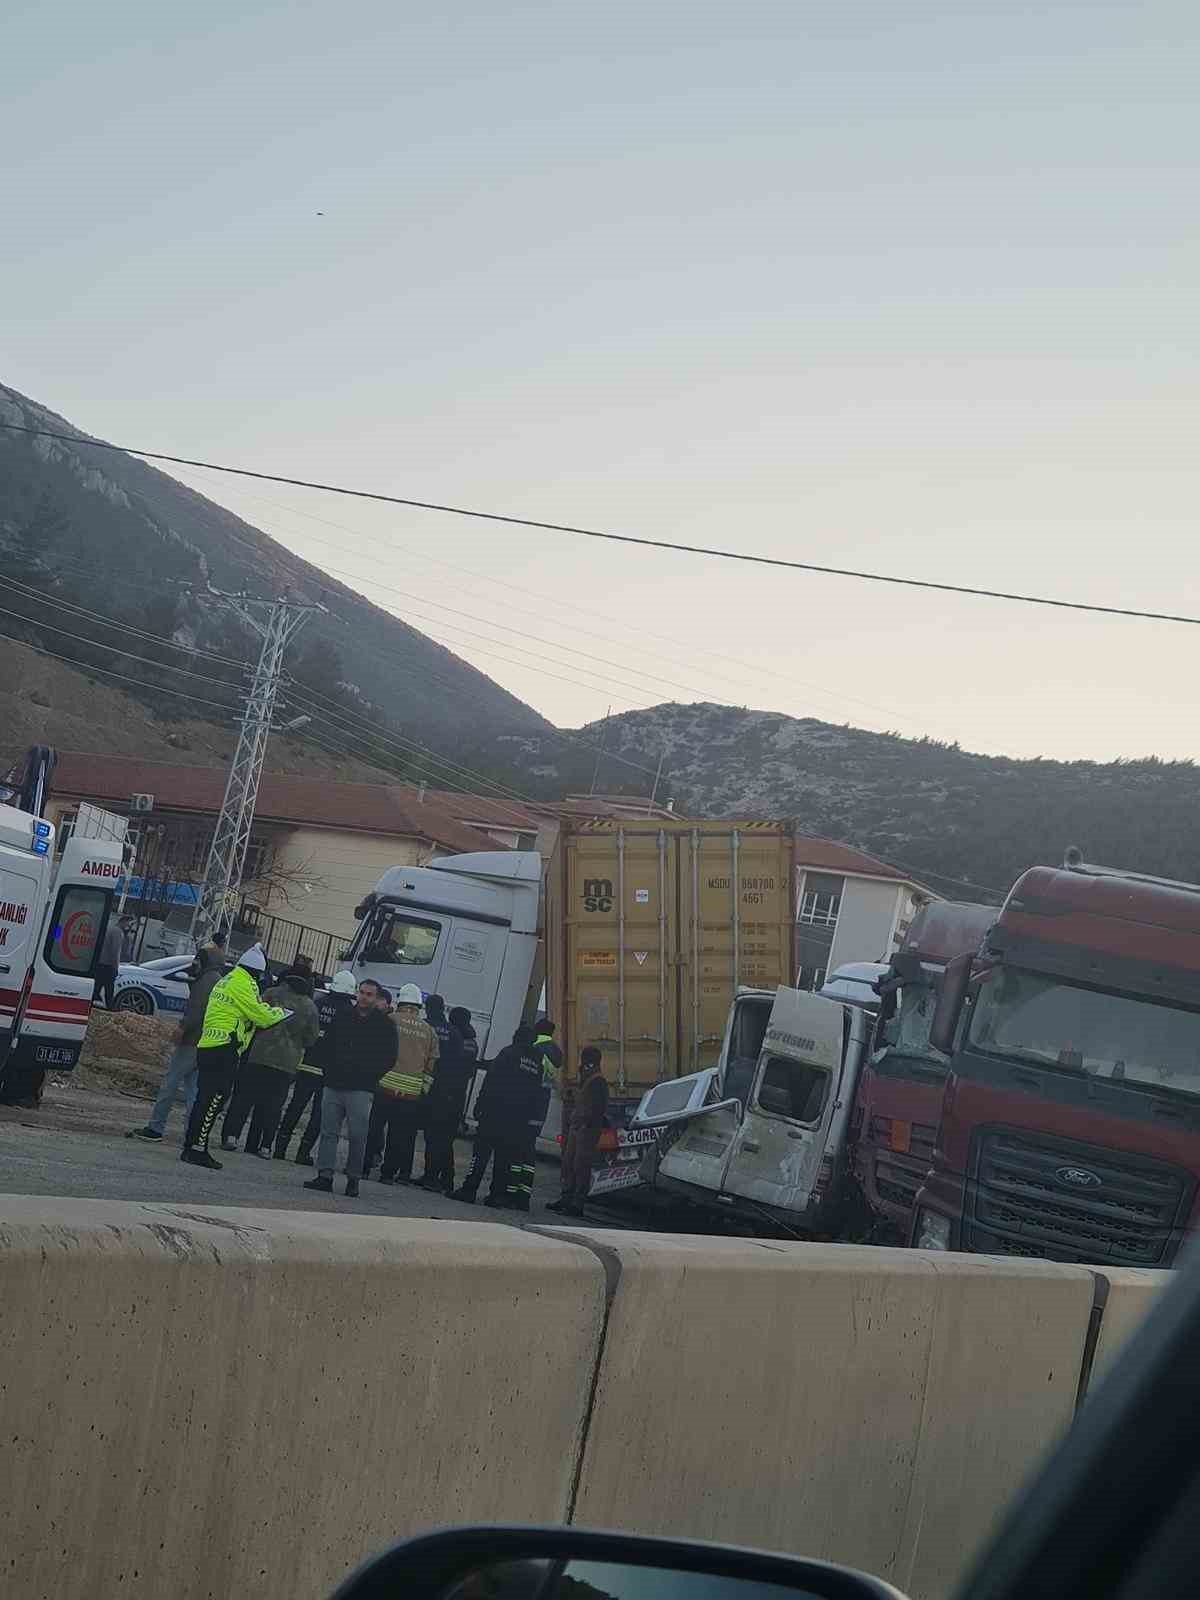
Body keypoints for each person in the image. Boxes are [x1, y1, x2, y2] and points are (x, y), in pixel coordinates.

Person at [181, 945, 286, 1171]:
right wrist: (280, 1012)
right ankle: (198, 1148)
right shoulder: (244, 984)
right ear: (257, 972)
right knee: (215, 1099)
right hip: (224, 1049)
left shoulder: (227, 980)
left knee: (203, 1099)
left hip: (208, 1046)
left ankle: (190, 1146)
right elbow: (262, 1017)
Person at [303, 977, 397, 1198]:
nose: (364, 997)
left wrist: (370, 1076)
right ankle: (324, 1175)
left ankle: (353, 1179)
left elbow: (389, 1057)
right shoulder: (343, 1016)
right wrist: (328, 1070)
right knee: (328, 1132)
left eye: (369, 994)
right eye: (361, 992)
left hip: (361, 1088)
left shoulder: (384, 1025)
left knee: (357, 1135)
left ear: (376, 998)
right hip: (334, 1083)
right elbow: (327, 1044)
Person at [126, 942, 225, 1142]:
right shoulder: (217, 980)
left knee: (169, 1084)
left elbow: (196, 1010)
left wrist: (182, 1028)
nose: (195, 963)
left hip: (192, 1041)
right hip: (206, 1043)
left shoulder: (206, 981)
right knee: (193, 1091)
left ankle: (155, 1128)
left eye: (199, 959)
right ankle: (192, 1133)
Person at [220, 969, 320, 1156]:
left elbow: (252, 1017)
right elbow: (311, 1039)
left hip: (259, 1055)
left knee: (244, 1098)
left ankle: (231, 1136)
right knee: (273, 1106)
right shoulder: (310, 1006)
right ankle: (263, 1146)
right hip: (286, 1063)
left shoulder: (270, 994)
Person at [452, 1024, 543, 1209]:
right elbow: (535, 1094)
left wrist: (480, 1105)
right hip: (517, 1119)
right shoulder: (537, 1064)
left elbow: (491, 1082)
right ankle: (496, 1196)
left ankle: (469, 1190)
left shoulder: (508, 1053)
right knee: (505, 1159)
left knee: (481, 1154)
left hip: (494, 1114)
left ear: (516, 1037)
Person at [274, 969, 356, 1163]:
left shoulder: (318, 1003)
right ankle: (303, 1152)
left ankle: (280, 1148)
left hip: (307, 1064)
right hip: (330, 1071)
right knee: (319, 1113)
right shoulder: (350, 1012)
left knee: (295, 1106)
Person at [365, 983, 437, 1184]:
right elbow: (431, 1065)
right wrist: (422, 1090)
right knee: (398, 1135)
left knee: (374, 1128)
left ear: (400, 1002)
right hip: (411, 1094)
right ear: (419, 1006)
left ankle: (364, 1167)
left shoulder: (389, 1019)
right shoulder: (428, 1030)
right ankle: (388, 1174)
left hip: (384, 1087)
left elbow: (375, 1050)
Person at [420, 1003, 478, 1194]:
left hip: (445, 1093)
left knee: (435, 1136)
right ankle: (445, 1179)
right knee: (445, 1140)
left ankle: (432, 1177)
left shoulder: (457, 1039)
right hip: (458, 1096)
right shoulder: (471, 1041)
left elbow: (446, 1066)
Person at [546, 1046, 610, 1217]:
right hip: (578, 1128)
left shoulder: (597, 1081)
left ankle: (577, 1204)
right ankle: (567, 1198)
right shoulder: (588, 1078)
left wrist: (586, 1124)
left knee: (580, 1166)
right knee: (569, 1163)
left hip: (586, 1129)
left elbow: (598, 1108)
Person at [93, 912, 124, 1011]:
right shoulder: (118, 932)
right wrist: (116, 967)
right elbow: (115, 951)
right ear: (124, 922)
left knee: (97, 986)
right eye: (129, 924)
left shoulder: (109, 929)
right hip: (108, 965)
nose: (130, 927)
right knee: (109, 988)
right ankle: (110, 1008)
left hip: (100, 963)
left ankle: (95, 1002)